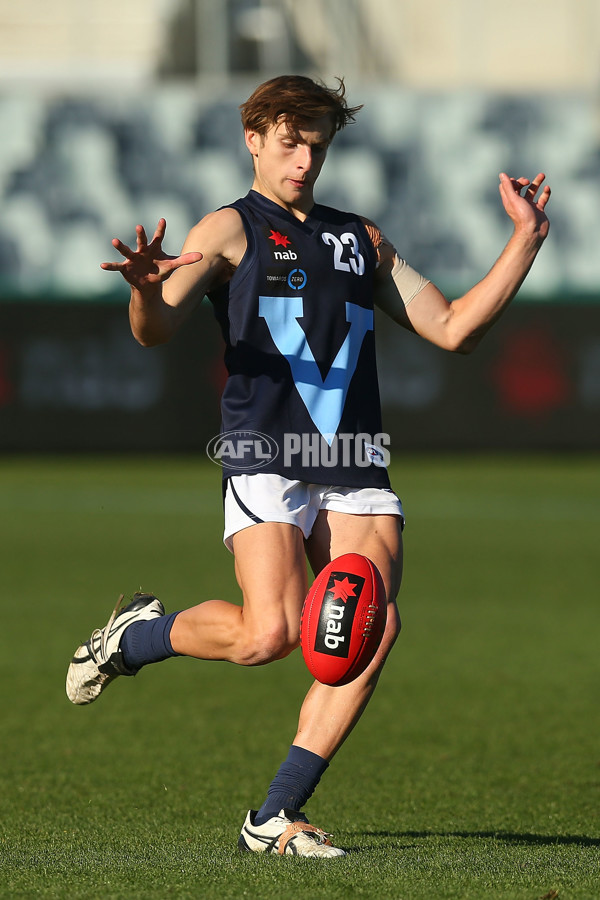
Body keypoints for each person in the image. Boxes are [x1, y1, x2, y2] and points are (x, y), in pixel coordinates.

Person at [66, 75, 551, 858]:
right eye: (288, 140)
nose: (303, 157)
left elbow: (455, 328)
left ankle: (273, 817)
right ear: (253, 139)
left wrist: (526, 239)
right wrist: (144, 291)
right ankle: (138, 637)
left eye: (316, 142)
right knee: (270, 637)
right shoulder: (228, 230)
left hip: (354, 462)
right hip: (266, 456)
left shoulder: (363, 239)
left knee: (371, 627)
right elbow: (154, 329)